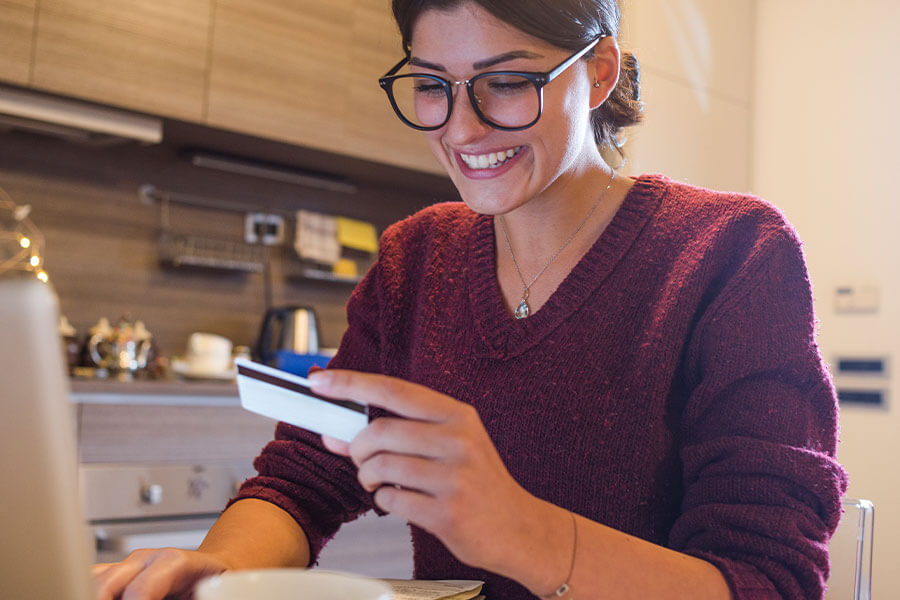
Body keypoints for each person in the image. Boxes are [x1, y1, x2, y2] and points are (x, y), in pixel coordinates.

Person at [93, 1, 848, 599]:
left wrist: (514, 529)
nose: (462, 126)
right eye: (431, 85)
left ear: (601, 70)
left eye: (508, 81)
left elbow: (767, 584)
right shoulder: (416, 257)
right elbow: (305, 473)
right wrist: (215, 567)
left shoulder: (732, 253)